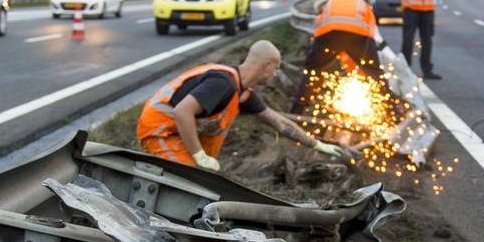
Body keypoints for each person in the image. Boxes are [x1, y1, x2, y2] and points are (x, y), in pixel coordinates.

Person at [136, 40, 347, 171]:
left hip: (174, 134)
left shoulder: (242, 92)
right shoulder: (223, 82)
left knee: (202, 179)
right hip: (159, 131)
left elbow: (278, 122)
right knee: (192, 179)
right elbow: (183, 112)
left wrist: (317, 145)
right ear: (266, 65)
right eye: (275, 69)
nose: (275, 75)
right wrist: (199, 156)